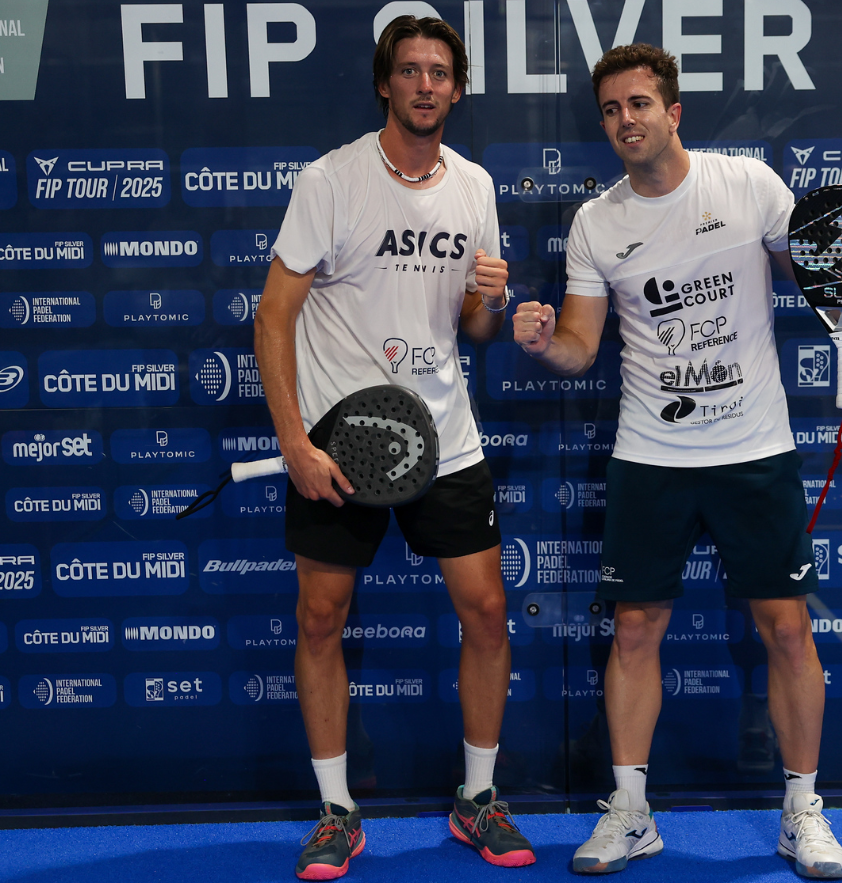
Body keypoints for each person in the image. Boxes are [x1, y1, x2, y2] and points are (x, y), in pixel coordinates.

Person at [512, 44, 842, 879]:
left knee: (786, 628)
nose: (625, 120)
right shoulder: (596, 222)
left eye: (639, 103)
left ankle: (802, 810)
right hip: (650, 454)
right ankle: (630, 810)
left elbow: (819, 279)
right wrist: (543, 344)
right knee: (634, 628)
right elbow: (580, 346)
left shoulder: (746, 185)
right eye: (611, 109)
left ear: (673, 112)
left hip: (752, 449)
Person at [255, 16, 535, 879]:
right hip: (341, 445)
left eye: (439, 73)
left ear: (456, 89)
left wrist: (492, 301)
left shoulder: (475, 186)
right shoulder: (330, 180)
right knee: (319, 617)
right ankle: (337, 810)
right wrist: (294, 441)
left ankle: (477, 798)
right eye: (409, 70)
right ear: (385, 83)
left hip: (444, 438)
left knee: (486, 612)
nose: (424, 85)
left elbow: (473, 328)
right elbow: (273, 315)